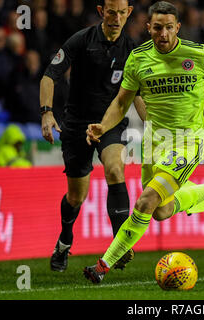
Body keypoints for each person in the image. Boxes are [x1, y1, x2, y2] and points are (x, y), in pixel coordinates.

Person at [83, 1, 204, 284]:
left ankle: (103, 265)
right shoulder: (138, 58)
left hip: (187, 141)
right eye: (157, 28)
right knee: (160, 211)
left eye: (169, 27)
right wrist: (103, 125)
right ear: (148, 28)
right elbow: (121, 101)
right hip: (154, 143)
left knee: (145, 201)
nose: (163, 34)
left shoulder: (201, 55)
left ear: (177, 27)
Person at [40, 0, 146, 273]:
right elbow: (49, 76)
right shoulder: (81, 40)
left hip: (110, 124)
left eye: (122, 13)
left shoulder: (133, 50)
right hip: (76, 127)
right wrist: (47, 112)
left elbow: (139, 95)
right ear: (101, 12)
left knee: (114, 169)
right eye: (111, 12)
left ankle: (119, 245)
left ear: (129, 13)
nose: (116, 18)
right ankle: (64, 241)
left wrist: (154, 126)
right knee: (76, 196)